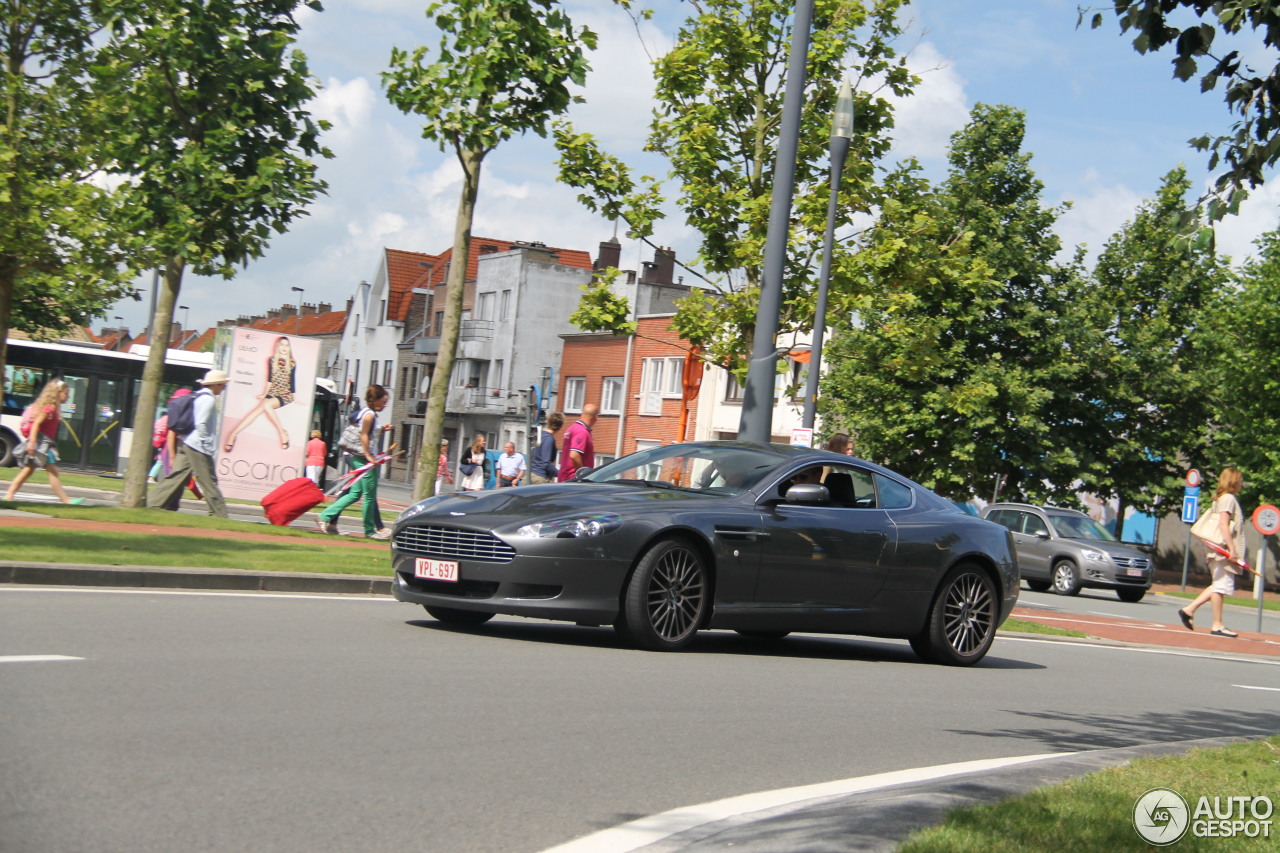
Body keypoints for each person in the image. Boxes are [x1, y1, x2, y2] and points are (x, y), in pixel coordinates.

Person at [147, 369, 229, 517]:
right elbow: (201, 423)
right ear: (216, 384)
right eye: (223, 385)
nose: (223, 388)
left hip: (186, 442)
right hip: (198, 446)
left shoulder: (198, 396)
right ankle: (219, 514)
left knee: (176, 475)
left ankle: (153, 503)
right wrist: (206, 443)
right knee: (208, 480)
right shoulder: (209, 400)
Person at [1178, 467, 1247, 637]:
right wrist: (1232, 550)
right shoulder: (1229, 498)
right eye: (1240, 480)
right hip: (1220, 549)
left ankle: (1189, 610)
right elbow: (1224, 525)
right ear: (1234, 481)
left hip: (1215, 548)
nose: (1242, 483)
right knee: (1220, 585)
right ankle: (1217, 624)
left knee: (1219, 584)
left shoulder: (1220, 498)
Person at [317, 384, 392, 540]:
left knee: (355, 494)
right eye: (383, 402)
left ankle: (324, 516)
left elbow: (364, 431)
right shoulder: (370, 415)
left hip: (355, 457)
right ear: (376, 400)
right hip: (363, 459)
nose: (385, 405)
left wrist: (381, 430)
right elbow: (364, 435)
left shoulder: (365, 412)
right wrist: (369, 456)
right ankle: (370, 530)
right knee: (369, 496)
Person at [4, 379, 83, 505]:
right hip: (42, 444)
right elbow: (36, 424)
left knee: (28, 470)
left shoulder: (53, 408)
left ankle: (9, 495)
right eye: (65, 393)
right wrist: (32, 443)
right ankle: (66, 500)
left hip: (42, 443)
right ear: (57, 393)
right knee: (52, 472)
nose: (67, 397)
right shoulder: (49, 408)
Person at [222, 335, 296, 452]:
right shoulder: (271, 360)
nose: (284, 347)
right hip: (273, 391)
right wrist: (264, 394)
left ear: (289, 348)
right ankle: (233, 434)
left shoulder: (292, 363)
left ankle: (282, 433)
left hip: (285, 394)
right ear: (277, 346)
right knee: (256, 412)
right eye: (282, 344)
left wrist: (294, 396)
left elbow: (292, 382)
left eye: (287, 345)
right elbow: (270, 380)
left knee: (267, 406)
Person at [557, 404, 598, 482]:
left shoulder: (572, 428)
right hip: (573, 479)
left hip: (565, 477)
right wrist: (583, 475)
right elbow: (574, 455)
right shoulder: (581, 431)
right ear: (595, 418)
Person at [529, 412, 564, 484]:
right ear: (559, 427)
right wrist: (560, 474)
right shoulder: (549, 439)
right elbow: (546, 462)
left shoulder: (539, 435)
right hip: (539, 478)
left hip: (530, 475)